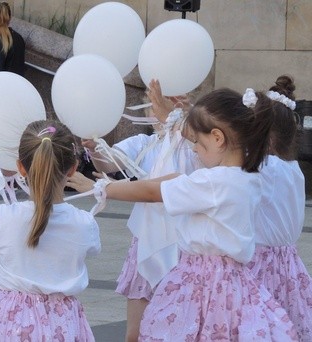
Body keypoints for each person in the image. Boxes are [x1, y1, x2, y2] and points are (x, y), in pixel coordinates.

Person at [67, 88, 298, 341]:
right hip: (234, 281)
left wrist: (102, 188)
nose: (194, 149)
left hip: (204, 283)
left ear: (218, 138)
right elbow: (175, 179)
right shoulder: (247, 176)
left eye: (198, 142)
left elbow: (153, 191)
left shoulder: (214, 182)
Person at [78, 79, 200, 342]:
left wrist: (180, 115)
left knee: (182, 326)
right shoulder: (145, 143)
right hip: (146, 241)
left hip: (186, 245)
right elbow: (111, 162)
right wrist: (95, 147)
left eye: (177, 100)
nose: (167, 106)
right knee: (136, 332)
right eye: (162, 100)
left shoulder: (196, 147)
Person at [0, 120, 100, 341]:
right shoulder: (84, 223)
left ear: (20, 167)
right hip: (62, 321)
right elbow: (92, 250)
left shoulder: (3, 217)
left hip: (10, 320)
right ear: (73, 168)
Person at [244, 75, 312, 341]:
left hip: (260, 263)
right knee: (288, 322)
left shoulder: (265, 169)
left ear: (264, 136)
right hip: (288, 264)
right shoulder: (293, 169)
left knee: (261, 325)